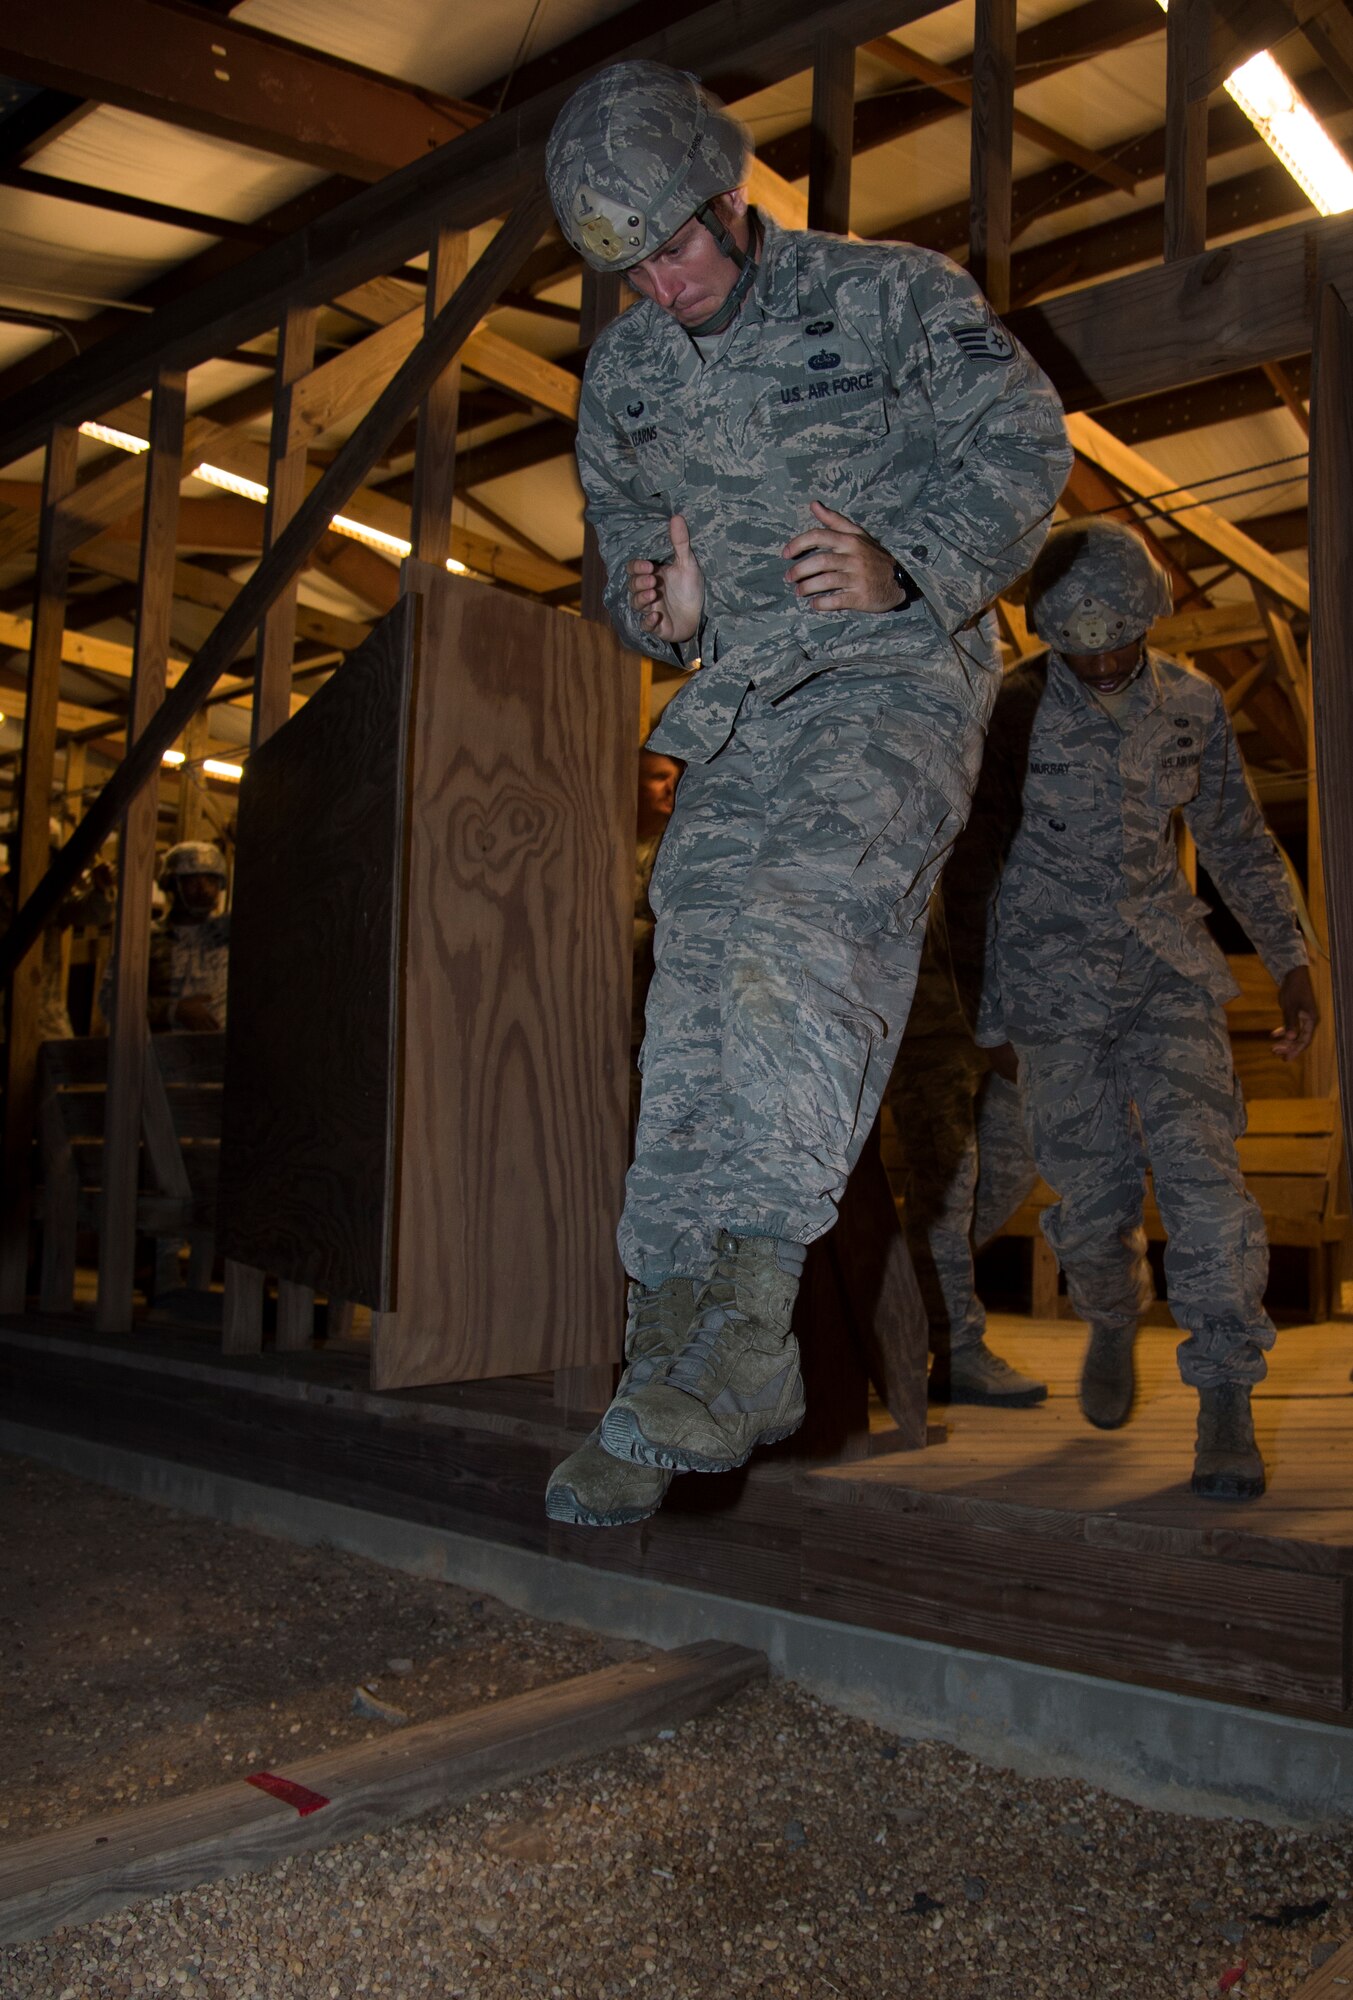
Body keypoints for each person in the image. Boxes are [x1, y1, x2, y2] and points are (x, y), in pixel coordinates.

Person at [542, 60, 1071, 1528]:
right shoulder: (630, 370)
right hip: (743, 703)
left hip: (894, 671)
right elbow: (619, 549)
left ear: (730, 193)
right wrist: (658, 598)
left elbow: (1025, 447)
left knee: (795, 942)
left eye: (673, 245)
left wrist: (908, 553)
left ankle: (747, 1325)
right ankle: (668, 1365)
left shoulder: (890, 295)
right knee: (693, 995)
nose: (657, 285)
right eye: (624, 268)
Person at [971, 518, 1317, 1500]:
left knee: (1207, 1184)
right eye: (1083, 645)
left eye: (1122, 636)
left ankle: (1225, 1397)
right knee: (1092, 1203)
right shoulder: (1011, 714)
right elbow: (973, 867)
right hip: (1049, 982)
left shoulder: (1192, 707)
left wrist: (1291, 959)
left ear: (1151, 618)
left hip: (1166, 968)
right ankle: (1114, 1313)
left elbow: (1240, 838)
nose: (1106, 658)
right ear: (1052, 635)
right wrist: (991, 1017)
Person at [888, 890, 1045, 1407]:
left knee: (1012, 1168)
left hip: (997, 1028)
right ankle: (958, 1348)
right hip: (926, 1030)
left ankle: (898, 1296)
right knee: (949, 1187)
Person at [147, 841, 231, 1033]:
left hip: (221, 1052)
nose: (204, 890)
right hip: (163, 1052)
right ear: (173, 885)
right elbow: (112, 1001)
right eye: (193, 881)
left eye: (211, 881)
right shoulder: (147, 939)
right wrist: (174, 1011)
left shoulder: (229, 933)